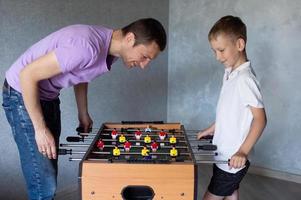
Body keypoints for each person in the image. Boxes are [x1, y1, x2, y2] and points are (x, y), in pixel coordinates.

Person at [2, 18, 166, 200]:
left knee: (48, 168)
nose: (144, 65)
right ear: (129, 39)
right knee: (42, 180)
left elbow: (81, 73)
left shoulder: (106, 49)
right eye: (144, 57)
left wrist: (83, 112)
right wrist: (40, 129)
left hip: (47, 96)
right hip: (21, 93)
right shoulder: (86, 47)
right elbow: (27, 75)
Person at [197, 15, 267, 200]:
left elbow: (260, 119)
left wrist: (242, 151)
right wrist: (211, 128)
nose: (217, 57)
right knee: (231, 192)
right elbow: (227, 111)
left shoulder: (245, 79)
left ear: (239, 44)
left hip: (233, 158)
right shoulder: (230, 73)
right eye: (214, 51)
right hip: (223, 153)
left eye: (221, 50)